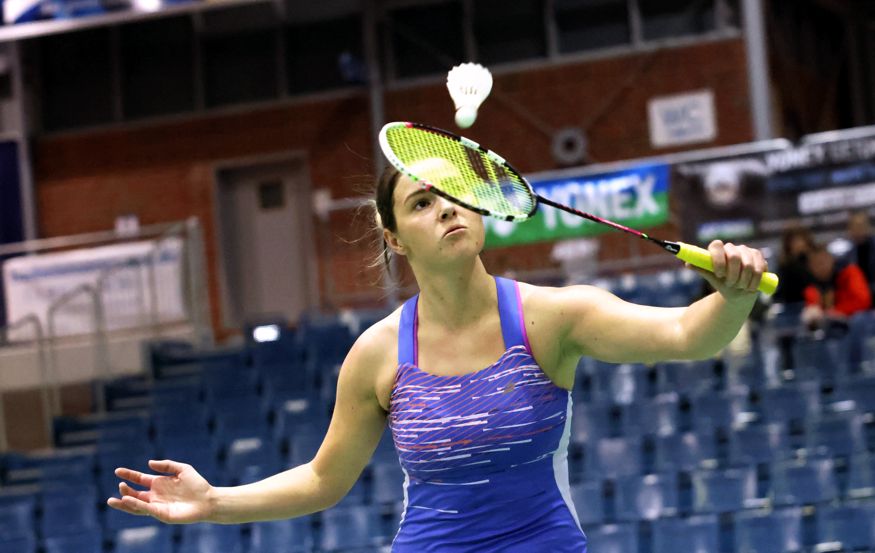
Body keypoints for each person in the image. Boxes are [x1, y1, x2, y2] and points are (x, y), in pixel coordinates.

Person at [107, 164, 768, 552]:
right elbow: (321, 480)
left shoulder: (552, 316)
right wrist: (214, 499)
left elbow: (688, 334)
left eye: (453, 194)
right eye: (421, 203)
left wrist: (731, 296)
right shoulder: (376, 355)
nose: (445, 208)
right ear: (395, 239)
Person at [802, 243, 871, 334]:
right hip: (832, 332)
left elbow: (863, 301)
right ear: (810, 267)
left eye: (823, 261)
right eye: (816, 264)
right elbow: (815, 315)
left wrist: (834, 312)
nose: (821, 267)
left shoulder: (850, 273)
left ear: (831, 259)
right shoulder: (811, 289)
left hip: (860, 326)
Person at [846, 210, 875, 296]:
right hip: (858, 296)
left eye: (861, 225)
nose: (858, 229)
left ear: (868, 227)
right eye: (855, 226)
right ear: (850, 229)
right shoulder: (846, 254)